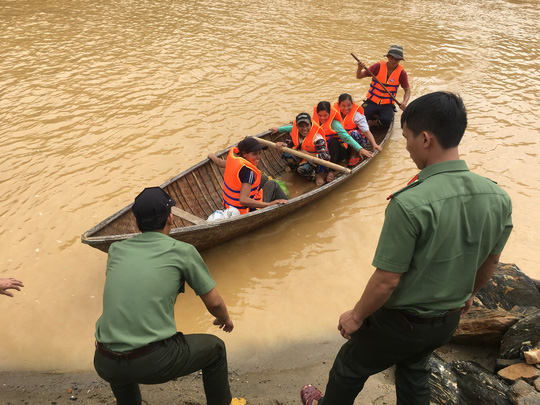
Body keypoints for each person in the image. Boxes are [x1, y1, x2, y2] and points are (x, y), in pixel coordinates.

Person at [300, 92, 513, 405]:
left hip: (402, 324)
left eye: (407, 137)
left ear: (425, 139)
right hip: (447, 321)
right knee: (414, 368)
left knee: (349, 367)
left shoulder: (411, 202)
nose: (408, 145)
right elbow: (490, 263)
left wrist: (356, 316)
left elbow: (388, 280)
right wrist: (467, 295)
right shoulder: (498, 197)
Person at [94, 187, 240, 405]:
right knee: (215, 349)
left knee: (121, 346)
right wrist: (225, 319)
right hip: (153, 362)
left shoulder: (116, 249)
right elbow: (215, 302)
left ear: (136, 222)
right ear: (170, 218)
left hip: (104, 360)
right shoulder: (183, 251)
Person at [209, 136, 288, 214]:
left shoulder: (235, 162)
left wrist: (212, 156)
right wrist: (269, 204)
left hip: (229, 205)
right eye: (254, 154)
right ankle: (288, 204)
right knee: (273, 184)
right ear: (244, 154)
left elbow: (219, 162)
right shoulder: (249, 172)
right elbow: (243, 200)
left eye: (260, 153)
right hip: (244, 210)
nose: (259, 157)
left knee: (263, 178)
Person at [313, 101, 372, 182]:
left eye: (325, 115)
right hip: (324, 152)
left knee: (333, 141)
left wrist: (360, 149)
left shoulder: (334, 124)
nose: (322, 118)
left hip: (338, 152)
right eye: (320, 115)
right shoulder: (314, 121)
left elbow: (347, 137)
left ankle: (331, 171)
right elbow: (298, 128)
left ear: (330, 114)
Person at [356, 45, 411, 129]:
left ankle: (372, 122)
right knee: (357, 117)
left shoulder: (402, 73)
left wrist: (404, 102)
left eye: (396, 59)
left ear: (400, 60)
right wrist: (359, 68)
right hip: (371, 101)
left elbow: (407, 90)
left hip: (387, 104)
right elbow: (359, 76)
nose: (393, 60)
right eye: (391, 57)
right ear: (388, 57)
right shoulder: (378, 66)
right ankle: (373, 114)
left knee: (386, 122)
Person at [269, 112, 330, 186]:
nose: (304, 129)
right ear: (297, 126)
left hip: (316, 162)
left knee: (302, 169)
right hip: (302, 157)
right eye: (301, 126)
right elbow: (289, 144)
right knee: (286, 155)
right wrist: (282, 144)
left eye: (307, 125)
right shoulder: (294, 133)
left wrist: (308, 155)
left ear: (311, 124)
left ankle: (316, 175)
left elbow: (326, 157)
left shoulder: (317, 138)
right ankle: (294, 169)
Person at [334, 93, 382, 167]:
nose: (346, 108)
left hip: (358, 140)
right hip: (344, 141)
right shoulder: (334, 113)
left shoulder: (357, 115)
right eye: (343, 106)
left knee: (354, 133)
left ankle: (354, 155)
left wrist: (374, 144)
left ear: (352, 104)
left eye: (349, 105)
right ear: (339, 105)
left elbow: (366, 131)